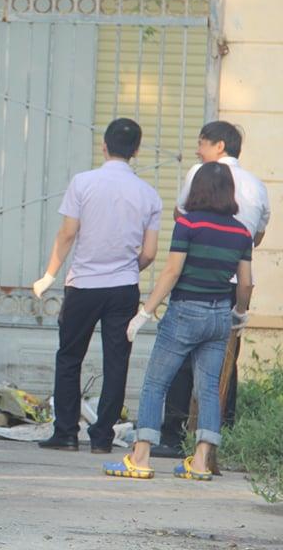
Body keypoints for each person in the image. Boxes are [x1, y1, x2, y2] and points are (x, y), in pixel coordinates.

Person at [104, 162, 253, 481]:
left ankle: (140, 458)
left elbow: (172, 271)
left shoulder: (188, 224)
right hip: (219, 316)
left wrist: (145, 312)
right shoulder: (241, 232)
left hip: (185, 311)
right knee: (208, 388)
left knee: (156, 383)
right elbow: (245, 282)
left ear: (197, 189)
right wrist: (239, 313)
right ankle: (200, 463)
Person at [34, 118, 162, 454]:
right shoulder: (149, 194)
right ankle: (103, 437)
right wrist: (127, 268)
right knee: (116, 361)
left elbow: (67, 234)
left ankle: (65, 433)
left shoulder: (83, 183)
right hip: (124, 288)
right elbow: (150, 252)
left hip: (83, 285)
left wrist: (49, 275)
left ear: (104, 146)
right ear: (136, 150)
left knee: (69, 356)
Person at [155, 121, 271, 456]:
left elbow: (181, 215)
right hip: (234, 285)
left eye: (201, 143)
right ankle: (222, 438)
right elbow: (257, 236)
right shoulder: (258, 185)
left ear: (219, 146)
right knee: (224, 364)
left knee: (180, 359)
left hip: (196, 281)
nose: (197, 150)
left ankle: (172, 436)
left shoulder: (199, 172)